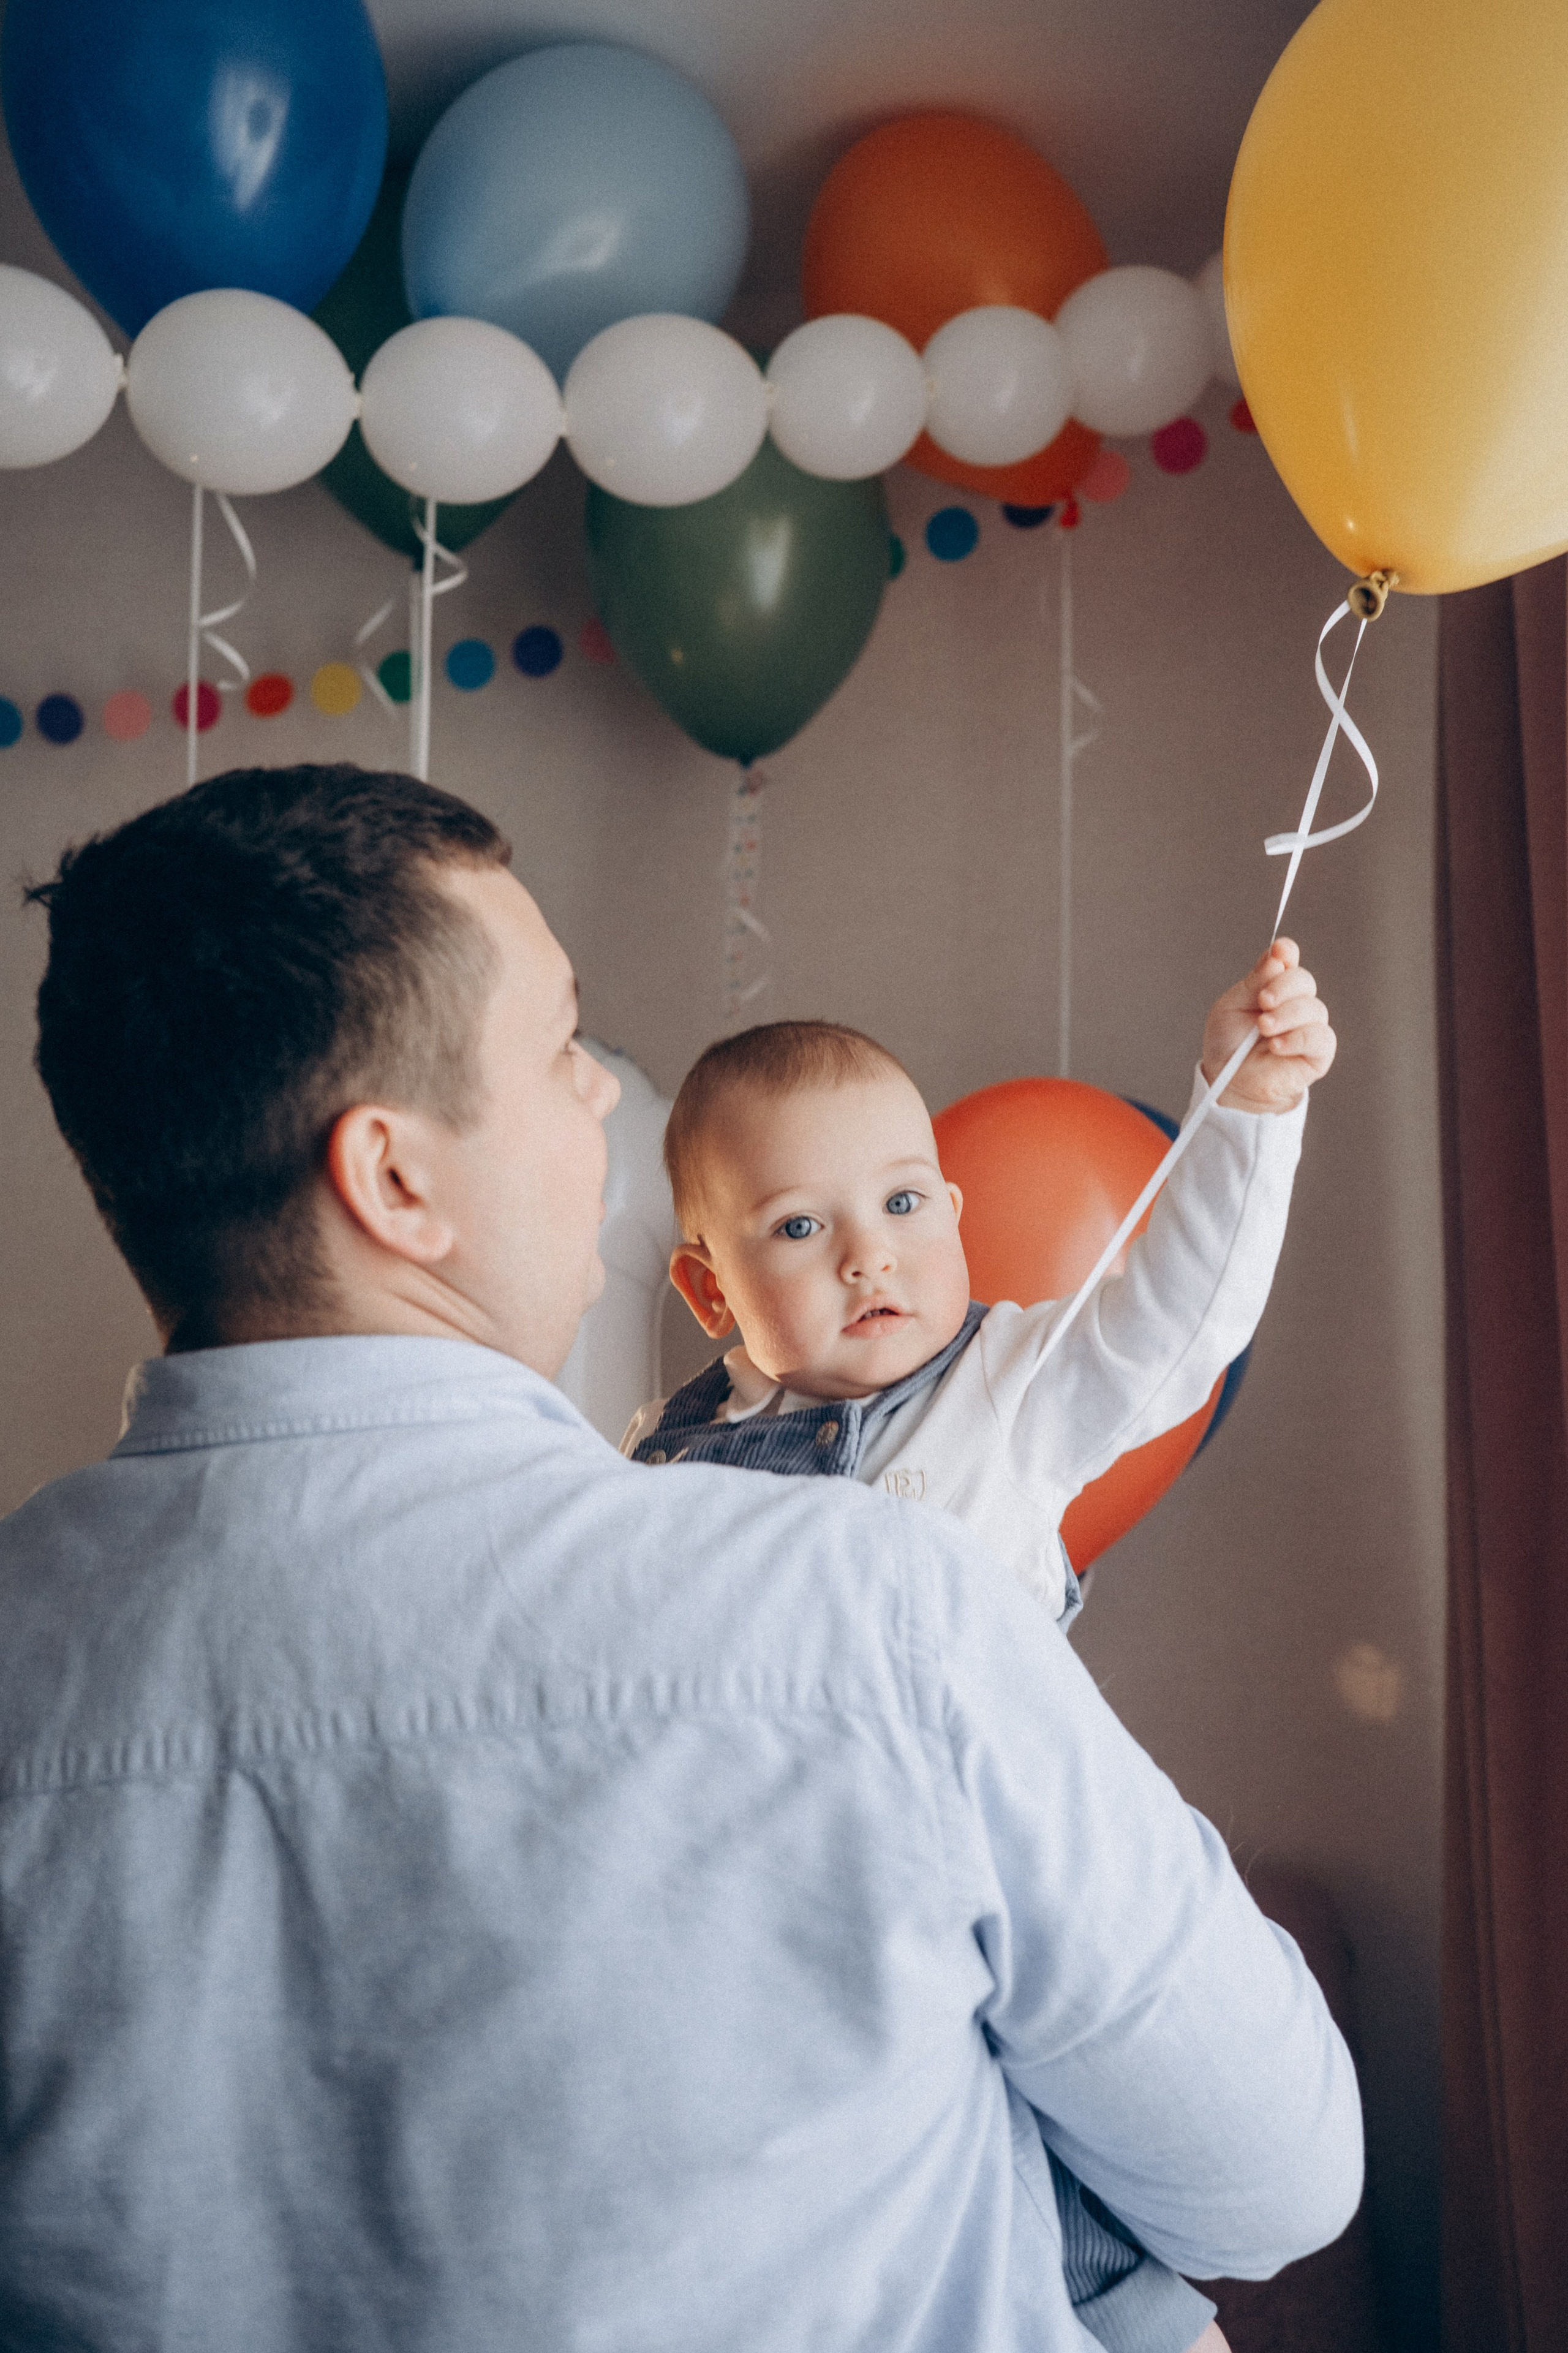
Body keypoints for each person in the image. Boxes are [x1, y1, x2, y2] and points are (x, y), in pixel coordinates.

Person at [0, 763, 1362, 2353]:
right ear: (395, 1180)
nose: (601, 1098)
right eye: (563, 1047)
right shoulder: (865, 1609)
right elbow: (1276, 2179)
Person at [620, 969, 1333, 2353]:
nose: (864, 1257)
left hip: (1007, 1887)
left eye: (898, 1204)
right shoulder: (661, 1470)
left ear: (952, 1213)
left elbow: (1177, 1318)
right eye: (795, 1226)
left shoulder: (1005, 1389)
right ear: (710, 1286)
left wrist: (1242, 1112)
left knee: (1091, 2248)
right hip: (802, 1938)